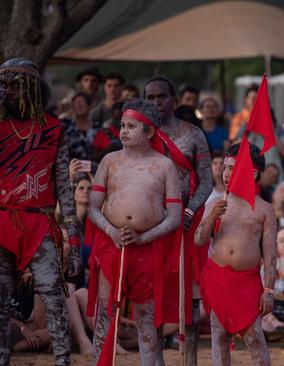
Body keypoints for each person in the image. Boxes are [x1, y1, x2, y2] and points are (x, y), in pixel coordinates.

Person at [86, 99, 182, 365]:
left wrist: (143, 237)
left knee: (145, 315)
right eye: (122, 126)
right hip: (111, 244)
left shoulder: (164, 166)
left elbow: (174, 217)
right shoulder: (109, 161)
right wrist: (111, 230)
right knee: (106, 311)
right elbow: (93, 208)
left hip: (148, 248)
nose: (123, 131)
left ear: (149, 131)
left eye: (131, 126)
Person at [0, 57, 81, 366]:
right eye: (3, 85)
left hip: (40, 222)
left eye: (14, 85)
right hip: (2, 219)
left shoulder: (54, 129)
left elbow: (64, 187)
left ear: (32, 88)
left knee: (53, 296)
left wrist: (73, 238)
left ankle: (63, 360)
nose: (7, 91)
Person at [144, 76, 213, 366]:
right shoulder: (140, 133)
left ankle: (191, 360)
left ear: (174, 99)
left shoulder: (193, 133)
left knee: (191, 295)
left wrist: (188, 211)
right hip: (152, 226)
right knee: (153, 294)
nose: (156, 102)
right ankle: (155, 359)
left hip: (187, 223)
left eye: (161, 96)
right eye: (149, 97)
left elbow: (207, 180)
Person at [195, 142, 277, 366]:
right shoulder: (214, 202)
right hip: (217, 278)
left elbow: (270, 254)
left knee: (255, 338)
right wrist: (211, 216)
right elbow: (199, 239)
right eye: (226, 168)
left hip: (247, 283)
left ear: (252, 173)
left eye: (234, 168)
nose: (227, 173)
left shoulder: (264, 209)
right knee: (219, 337)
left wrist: (268, 289)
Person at [62, 92, 97, 162]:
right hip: (72, 168)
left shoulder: (97, 128)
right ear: (72, 107)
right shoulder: (66, 126)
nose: (79, 105)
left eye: (82, 102)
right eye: (76, 102)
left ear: (89, 106)